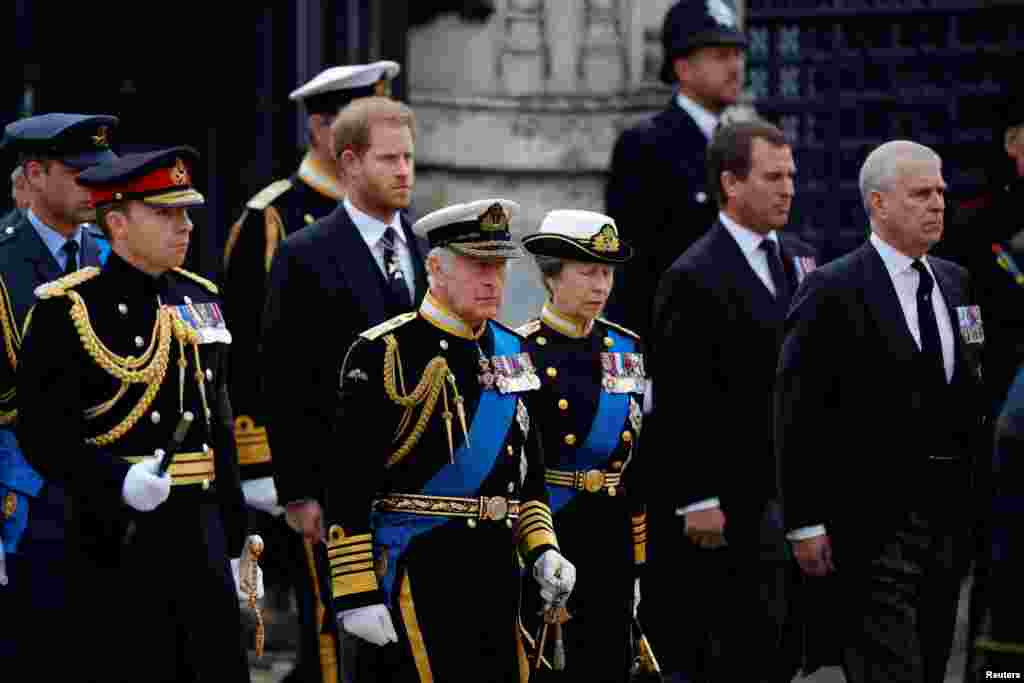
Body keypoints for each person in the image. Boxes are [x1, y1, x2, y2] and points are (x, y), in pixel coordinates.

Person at [16, 147, 257, 682]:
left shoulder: (201, 299)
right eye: (166, 214)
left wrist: (240, 539)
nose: (185, 226)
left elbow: (219, 426)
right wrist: (117, 481)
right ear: (118, 223)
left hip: (200, 533)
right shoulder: (69, 309)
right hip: (113, 539)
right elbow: (42, 434)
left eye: (187, 213)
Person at [312, 198, 576, 681]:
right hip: (420, 572)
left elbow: (527, 471)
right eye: (478, 265)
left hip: (497, 574)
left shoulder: (513, 350)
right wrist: (356, 593)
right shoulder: (385, 351)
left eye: (499, 266)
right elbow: (348, 483)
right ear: (435, 267)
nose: (493, 280)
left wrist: (542, 549)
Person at [775, 140, 987, 683]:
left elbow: (970, 393)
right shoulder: (833, 288)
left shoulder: (956, 282)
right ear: (879, 203)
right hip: (871, 523)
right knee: (892, 669)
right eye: (921, 193)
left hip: (947, 521)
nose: (938, 204)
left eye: (940, 191)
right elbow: (798, 411)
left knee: (937, 661)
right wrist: (803, 521)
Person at [224, 60, 400, 683]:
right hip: (314, 461)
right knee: (331, 621)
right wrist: (262, 464)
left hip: (392, 467)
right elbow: (248, 351)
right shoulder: (275, 218)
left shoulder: (395, 222)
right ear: (326, 131)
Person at [261, 94, 426, 678]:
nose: (404, 171)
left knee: (416, 642)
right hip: (340, 485)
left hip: (423, 489)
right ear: (350, 162)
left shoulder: (428, 249)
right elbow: (284, 378)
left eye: (408, 157)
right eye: (388, 159)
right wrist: (299, 490)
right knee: (345, 642)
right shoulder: (305, 254)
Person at [646, 120, 814, 682]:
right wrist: (697, 495)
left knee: (786, 646)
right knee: (736, 650)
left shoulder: (801, 260)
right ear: (731, 183)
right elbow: (680, 396)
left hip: (790, 492)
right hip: (730, 499)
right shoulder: (692, 273)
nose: (788, 188)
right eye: (773, 176)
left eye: (791, 175)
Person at [0, 113, 117, 665]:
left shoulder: (112, 256)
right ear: (35, 174)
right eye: (79, 175)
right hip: (20, 493)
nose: (95, 187)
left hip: (105, 487)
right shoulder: (2, 258)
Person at [517, 209, 647, 681]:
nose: (601, 285)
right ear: (552, 276)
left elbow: (636, 462)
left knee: (609, 663)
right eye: (588, 271)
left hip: (610, 529)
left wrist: (638, 562)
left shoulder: (625, 348)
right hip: (551, 525)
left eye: (608, 272)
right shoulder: (519, 351)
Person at [604, 0, 747, 340]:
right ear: (682, 67)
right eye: (720, 56)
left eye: (738, 55)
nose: (735, 67)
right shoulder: (645, 146)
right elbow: (631, 270)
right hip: (677, 351)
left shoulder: (744, 145)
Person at [932, 92, 1024, 416]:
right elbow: (963, 299)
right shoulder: (977, 219)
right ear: (1012, 143)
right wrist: (975, 357)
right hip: (999, 370)